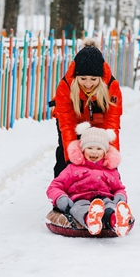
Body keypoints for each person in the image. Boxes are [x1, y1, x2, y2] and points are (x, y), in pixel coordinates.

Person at [51, 38, 123, 177]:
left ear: (101, 78)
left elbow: (112, 126)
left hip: (100, 123)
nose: (88, 84)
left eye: (93, 79)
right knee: (65, 154)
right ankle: (63, 185)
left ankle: (108, 184)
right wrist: (71, 159)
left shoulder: (111, 87)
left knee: (101, 152)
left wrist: (112, 161)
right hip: (73, 123)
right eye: (83, 79)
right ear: (76, 77)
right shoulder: (65, 85)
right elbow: (67, 125)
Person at [46, 122, 133, 237]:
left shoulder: (110, 171)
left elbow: (119, 188)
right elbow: (55, 186)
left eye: (98, 148)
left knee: (110, 205)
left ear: (105, 152)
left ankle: (115, 220)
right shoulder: (72, 169)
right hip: (80, 199)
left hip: (104, 199)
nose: (94, 152)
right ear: (82, 150)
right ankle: (91, 219)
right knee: (78, 209)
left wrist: (120, 197)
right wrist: (61, 199)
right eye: (89, 148)